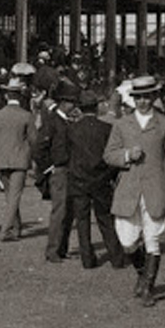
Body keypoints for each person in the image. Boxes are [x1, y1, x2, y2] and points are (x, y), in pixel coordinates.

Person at [104, 76, 165, 306]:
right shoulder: (122, 124)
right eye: (139, 98)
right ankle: (142, 274)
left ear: (154, 97)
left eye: (147, 97)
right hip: (129, 189)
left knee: (152, 238)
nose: (143, 102)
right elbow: (109, 155)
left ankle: (148, 288)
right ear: (132, 99)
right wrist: (126, 156)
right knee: (128, 242)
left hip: (155, 188)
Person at [66, 90, 121, 269]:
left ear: (80, 109)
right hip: (101, 179)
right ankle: (116, 257)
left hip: (79, 180)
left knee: (82, 221)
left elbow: (66, 155)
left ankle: (87, 259)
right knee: (105, 219)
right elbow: (112, 155)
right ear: (97, 107)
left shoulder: (72, 129)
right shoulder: (106, 128)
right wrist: (109, 175)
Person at [0, 77, 36, 241]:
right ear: (20, 96)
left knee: (10, 196)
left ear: (7, 96)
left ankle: (17, 228)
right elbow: (33, 140)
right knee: (14, 196)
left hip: (2, 159)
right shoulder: (27, 116)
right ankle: (6, 230)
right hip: (20, 160)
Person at [37, 80, 79, 262]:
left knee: (68, 212)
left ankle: (62, 248)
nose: (74, 106)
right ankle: (52, 250)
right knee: (60, 211)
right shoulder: (53, 121)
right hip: (59, 170)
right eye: (71, 102)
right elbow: (39, 147)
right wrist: (49, 167)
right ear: (63, 102)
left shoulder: (65, 120)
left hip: (68, 170)